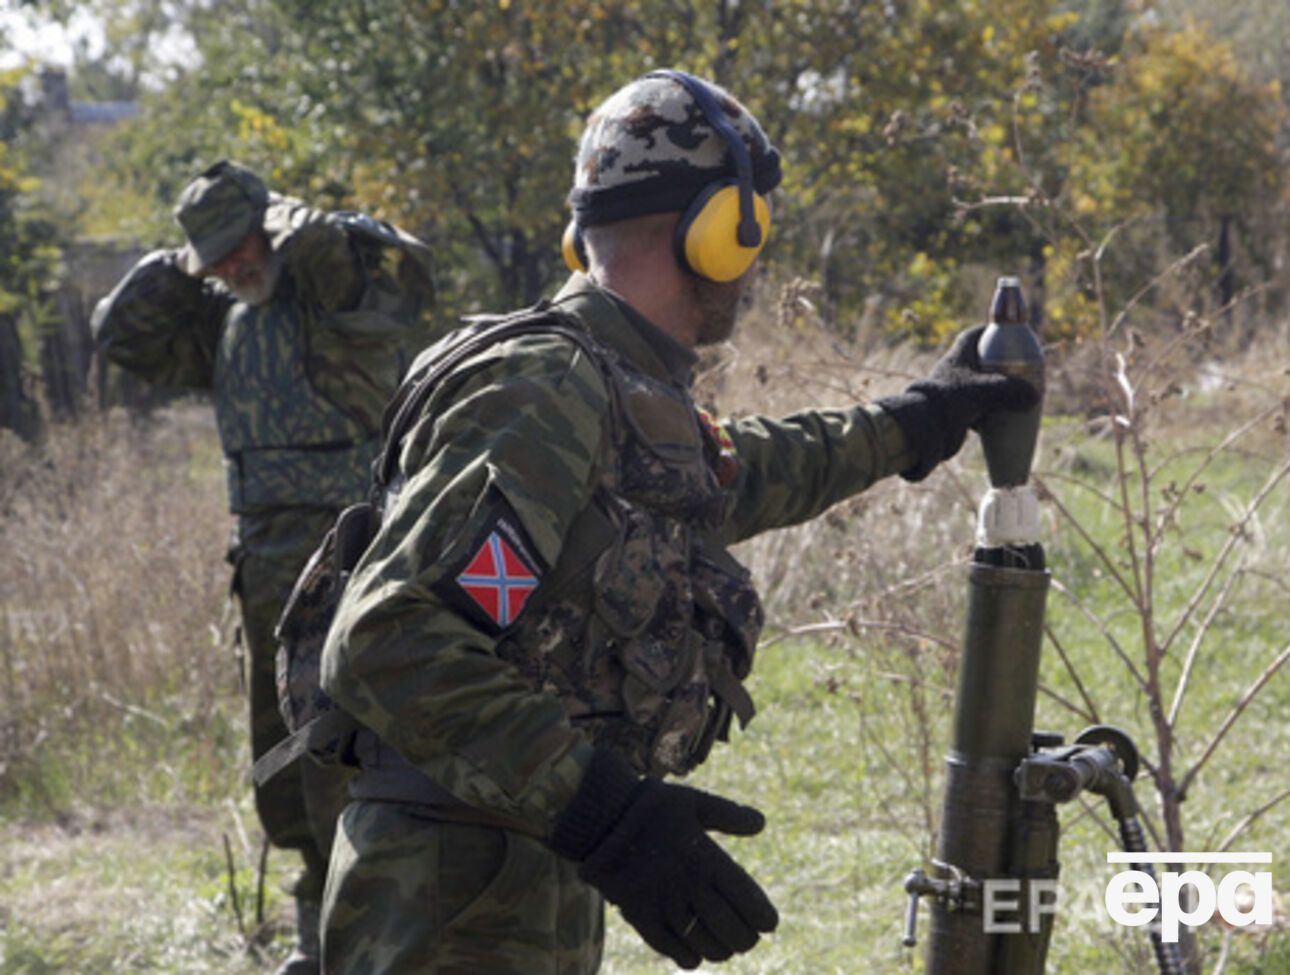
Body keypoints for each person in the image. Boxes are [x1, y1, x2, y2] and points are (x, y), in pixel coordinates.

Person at [318, 70, 1038, 973]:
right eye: (756, 227)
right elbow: (387, 637)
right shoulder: (544, 389)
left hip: (500, 875)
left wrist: (917, 420)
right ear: (722, 230)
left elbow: (738, 474)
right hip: (447, 904)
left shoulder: (614, 389)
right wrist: (608, 813)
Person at [91, 159, 436, 975]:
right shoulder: (226, 318)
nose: (233, 268)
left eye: (239, 247)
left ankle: (379, 942)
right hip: (265, 564)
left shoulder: (325, 282)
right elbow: (120, 333)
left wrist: (275, 220)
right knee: (282, 756)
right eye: (214, 259)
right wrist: (185, 261)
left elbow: (337, 247)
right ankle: (323, 937)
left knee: (342, 745)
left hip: (348, 549)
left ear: (269, 225)